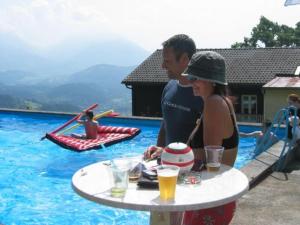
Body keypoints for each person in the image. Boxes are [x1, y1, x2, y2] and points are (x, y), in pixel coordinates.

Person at [180, 51, 239, 225]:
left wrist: (174, 176)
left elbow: (210, 165)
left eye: (195, 77)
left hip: (210, 197)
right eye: (190, 77)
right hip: (216, 194)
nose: (191, 82)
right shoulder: (220, 101)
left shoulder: (214, 104)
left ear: (212, 80)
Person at [144, 34, 203, 159]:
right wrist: (156, 155)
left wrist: (168, 154)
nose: (163, 66)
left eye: (167, 61)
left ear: (185, 59)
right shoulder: (169, 87)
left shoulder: (202, 94)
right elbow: (165, 126)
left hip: (190, 169)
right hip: (167, 166)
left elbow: (207, 146)